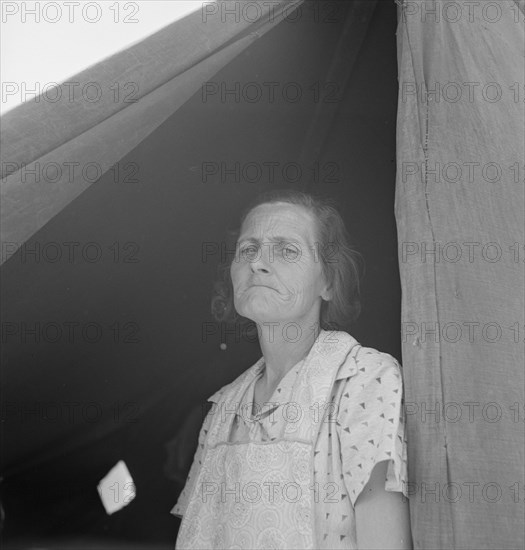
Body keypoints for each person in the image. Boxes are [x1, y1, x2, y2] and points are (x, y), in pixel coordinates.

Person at [171, 190, 411, 549]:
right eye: (247, 250)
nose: (257, 263)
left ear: (328, 282)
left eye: (286, 250)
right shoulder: (223, 409)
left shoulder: (364, 379)